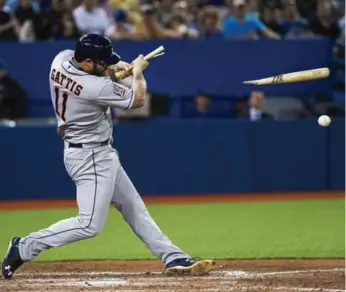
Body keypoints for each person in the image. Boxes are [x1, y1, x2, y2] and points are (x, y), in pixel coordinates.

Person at [1, 34, 215, 279]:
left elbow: (97, 75)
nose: (106, 64)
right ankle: (24, 247)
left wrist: (115, 67)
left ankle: (172, 256)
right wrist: (137, 73)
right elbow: (138, 99)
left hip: (95, 152)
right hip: (89, 156)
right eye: (102, 61)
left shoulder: (61, 59)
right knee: (89, 224)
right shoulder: (96, 87)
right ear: (88, 62)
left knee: (134, 208)